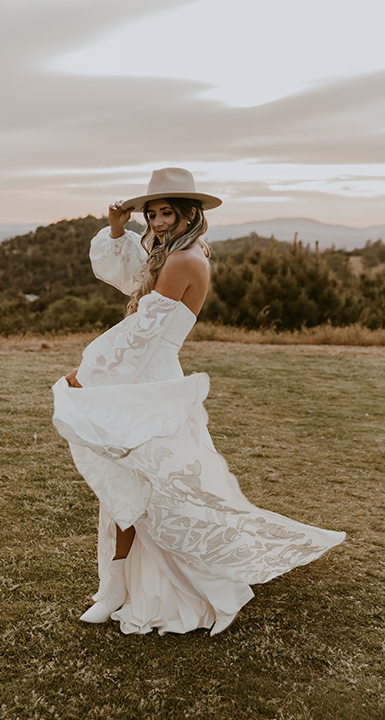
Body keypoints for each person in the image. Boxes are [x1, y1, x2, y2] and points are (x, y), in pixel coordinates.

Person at [52, 167, 345, 635]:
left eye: (166, 212)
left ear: (190, 213)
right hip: (141, 378)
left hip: (150, 383)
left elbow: (142, 333)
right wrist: (116, 230)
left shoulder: (185, 261)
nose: (157, 221)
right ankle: (115, 588)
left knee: (152, 490)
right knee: (129, 486)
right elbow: (132, 280)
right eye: (151, 213)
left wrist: (86, 374)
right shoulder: (170, 254)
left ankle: (134, 589)